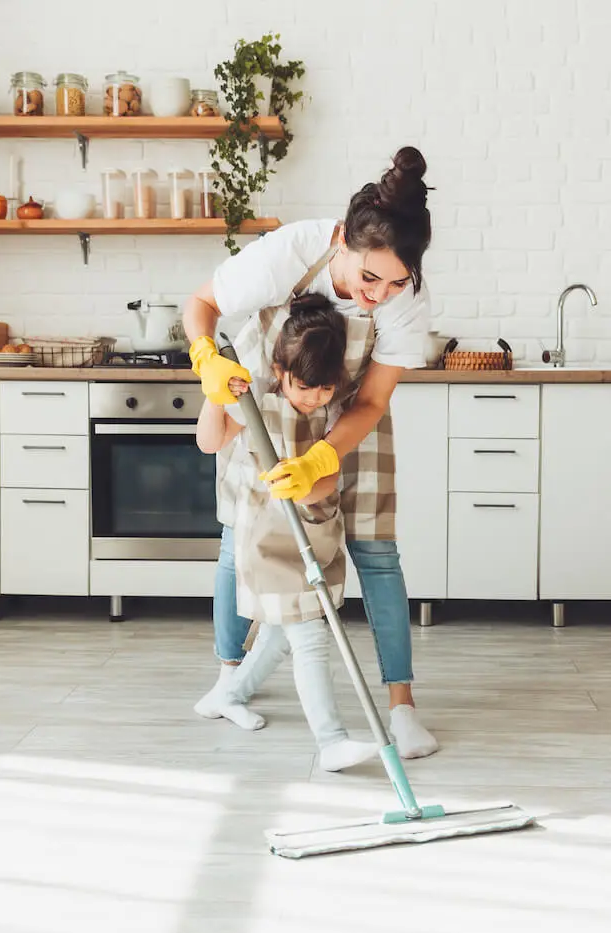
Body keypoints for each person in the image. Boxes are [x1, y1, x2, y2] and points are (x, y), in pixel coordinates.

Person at [186, 146, 440, 759]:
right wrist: (207, 363)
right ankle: (230, 678)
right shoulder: (296, 250)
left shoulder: (407, 302)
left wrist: (324, 459)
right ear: (343, 243)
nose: (379, 294)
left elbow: (372, 400)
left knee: (377, 554)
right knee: (239, 541)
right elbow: (203, 305)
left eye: (397, 280)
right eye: (368, 277)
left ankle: (401, 708)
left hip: (352, 418)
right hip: (268, 404)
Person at [194, 294, 379, 773]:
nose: (312, 396)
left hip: (313, 531)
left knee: (279, 631)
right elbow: (209, 442)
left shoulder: (332, 410)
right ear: (279, 369)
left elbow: (331, 476)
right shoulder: (255, 401)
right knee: (310, 634)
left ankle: (228, 696)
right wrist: (217, 394)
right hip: (266, 539)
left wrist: (310, 478)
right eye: (302, 385)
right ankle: (332, 740)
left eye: (322, 387)